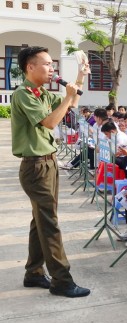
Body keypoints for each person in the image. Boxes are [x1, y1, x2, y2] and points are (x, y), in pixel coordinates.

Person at [11, 46, 90, 297]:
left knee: (41, 221)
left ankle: (33, 272)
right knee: (50, 224)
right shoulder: (23, 94)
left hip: (48, 162)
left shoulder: (42, 93)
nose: (52, 68)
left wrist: (80, 77)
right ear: (30, 67)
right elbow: (51, 122)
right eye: (46, 64)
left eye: (52, 64)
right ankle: (62, 280)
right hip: (35, 166)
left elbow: (73, 101)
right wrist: (67, 96)